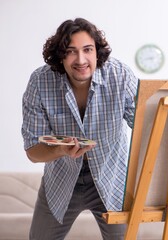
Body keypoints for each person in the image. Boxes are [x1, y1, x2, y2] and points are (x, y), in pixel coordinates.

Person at [21, 18, 138, 240]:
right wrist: (60, 150)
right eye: (71, 51)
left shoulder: (120, 75)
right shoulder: (40, 82)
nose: (81, 59)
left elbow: (145, 125)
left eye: (87, 50)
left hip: (111, 177)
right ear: (60, 56)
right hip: (61, 179)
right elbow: (33, 151)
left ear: (97, 53)